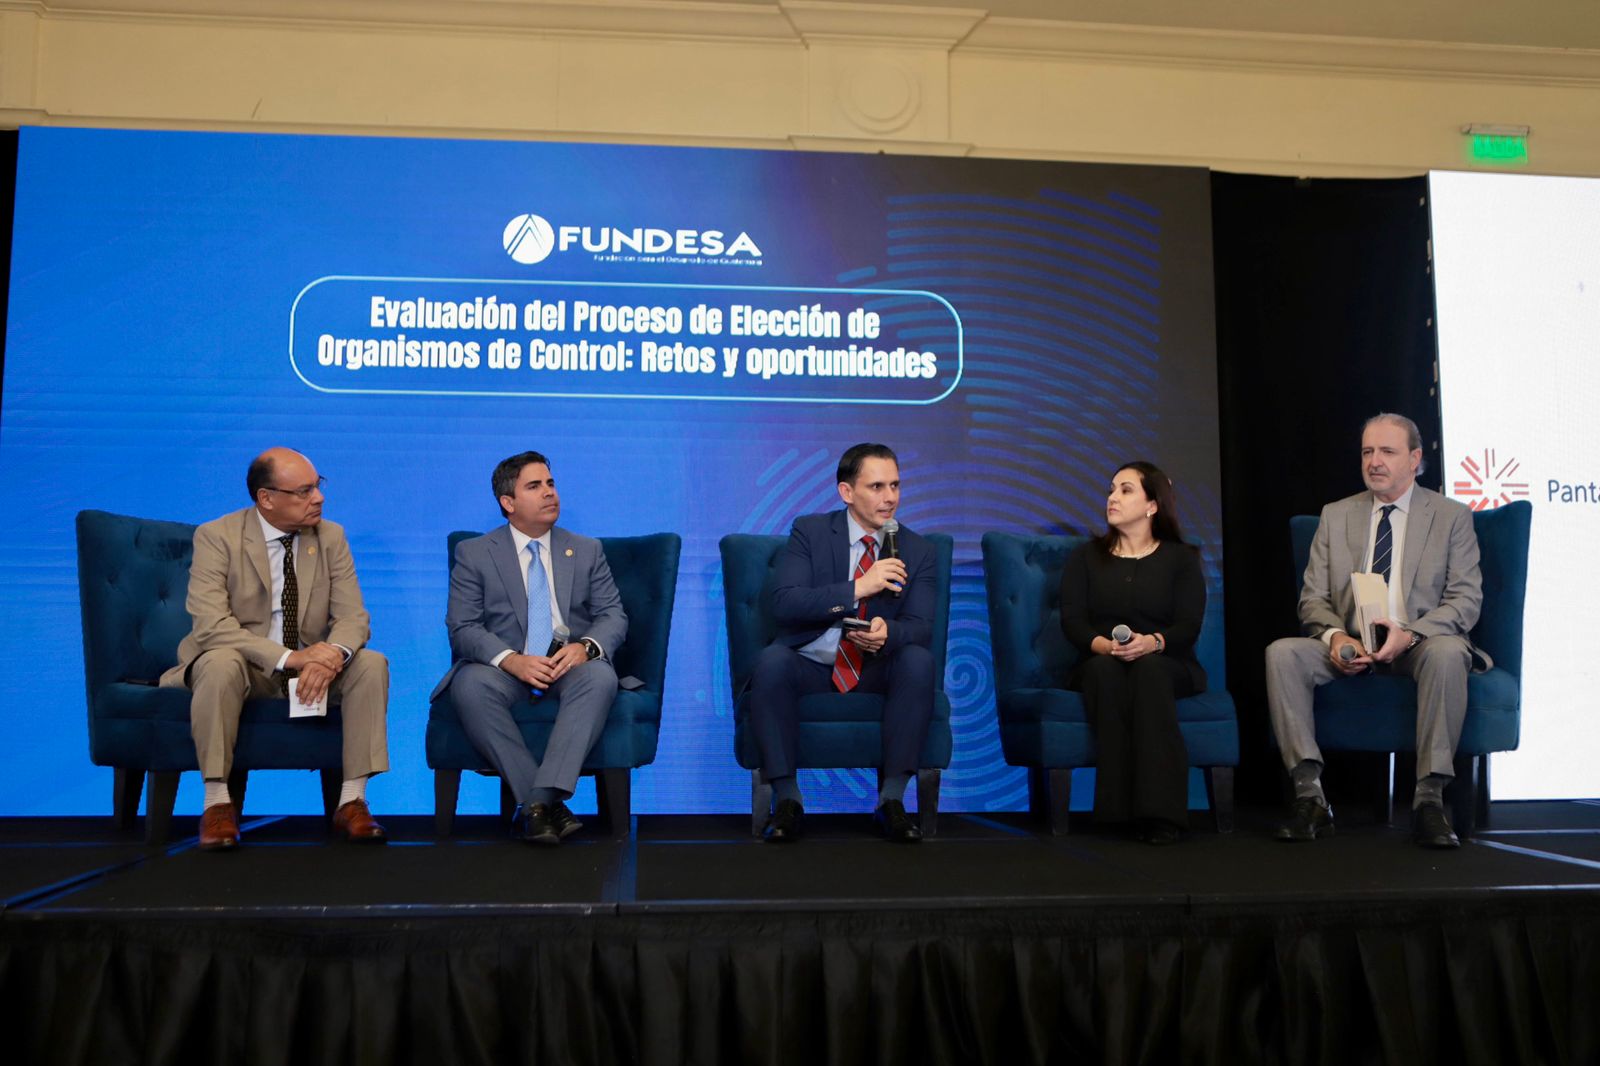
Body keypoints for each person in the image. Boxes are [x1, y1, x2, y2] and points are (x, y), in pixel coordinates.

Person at [1266, 412, 1487, 849]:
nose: (1374, 462)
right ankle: (1310, 796)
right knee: (1282, 653)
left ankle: (1429, 800)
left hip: (1419, 643)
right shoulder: (1336, 515)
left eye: (1387, 451)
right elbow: (1312, 599)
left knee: (1448, 652)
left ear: (1415, 459)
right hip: (1351, 643)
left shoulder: (1451, 516)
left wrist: (1410, 634)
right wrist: (1336, 637)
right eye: (1368, 452)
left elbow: (1465, 600)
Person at [160, 448, 390, 850]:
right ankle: (217, 804)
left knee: (370, 663)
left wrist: (332, 655)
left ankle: (352, 801)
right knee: (219, 662)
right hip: (245, 666)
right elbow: (212, 627)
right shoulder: (217, 536)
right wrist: (291, 658)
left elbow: (353, 617)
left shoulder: (330, 537)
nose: (318, 498)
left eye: (318, 486)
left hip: (312, 670)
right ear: (266, 498)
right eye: (304, 491)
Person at [432, 451, 626, 846]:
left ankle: (536, 803)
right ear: (508, 502)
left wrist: (586, 648)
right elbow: (463, 627)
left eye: (550, 483)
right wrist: (512, 660)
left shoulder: (586, 549)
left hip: (570, 668)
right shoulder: (475, 552)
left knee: (600, 676)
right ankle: (545, 803)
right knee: (469, 684)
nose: (549, 493)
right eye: (534, 486)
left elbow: (613, 615)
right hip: (505, 671)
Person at [749, 442, 937, 843]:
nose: (890, 498)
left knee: (918, 660)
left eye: (895, 485)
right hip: (813, 662)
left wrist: (889, 634)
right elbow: (785, 602)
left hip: (876, 668)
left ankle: (892, 801)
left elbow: (921, 627)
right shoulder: (811, 532)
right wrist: (858, 588)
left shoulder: (918, 550)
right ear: (846, 492)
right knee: (771, 662)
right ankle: (787, 800)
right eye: (877, 487)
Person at [1058, 461, 1207, 845]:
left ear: (1152, 505)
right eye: (1111, 490)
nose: (1113, 498)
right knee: (1104, 672)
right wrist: (1105, 646)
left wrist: (1152, 642)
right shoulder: (1086, 557)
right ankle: (1116, 812)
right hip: (1100, 658)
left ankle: (1162, 815)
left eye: (1125, 490)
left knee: (1150, 671)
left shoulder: (1182, 559)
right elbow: (1073, 622)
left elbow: (1188, 626)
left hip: (1167, 661)